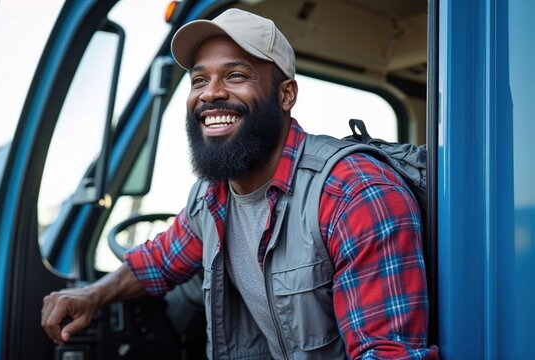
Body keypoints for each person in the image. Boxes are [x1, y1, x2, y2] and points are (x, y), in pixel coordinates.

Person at [42, 8, 438, 359]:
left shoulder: (354, 194)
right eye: (199, 80)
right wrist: (92, 294)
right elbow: (160, 260)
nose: (211, 93)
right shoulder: (214, 197)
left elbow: (387, 353)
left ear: (286, 95)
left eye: (235, 75)